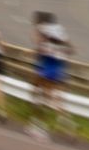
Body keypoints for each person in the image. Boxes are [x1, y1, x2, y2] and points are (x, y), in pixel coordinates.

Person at [30, 11, 74, 140]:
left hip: (46, 67)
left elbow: (39, 47)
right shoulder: (61, 30)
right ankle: (68, 123)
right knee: (57, 99)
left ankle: (40, 127)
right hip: (60, 67)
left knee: (40, 97)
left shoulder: (40, 29)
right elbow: (71, 50)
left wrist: (38, 51)